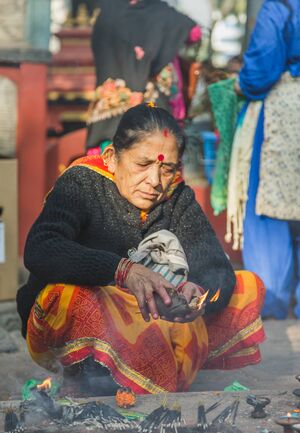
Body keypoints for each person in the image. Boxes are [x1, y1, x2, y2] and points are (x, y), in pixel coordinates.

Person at [17, 104, 265, 395]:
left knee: (244, 287)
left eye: (167, 168)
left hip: (156, 318)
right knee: (68, 296)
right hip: (94, 315)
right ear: (111, 158)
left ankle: (153, 370)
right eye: (142, 164)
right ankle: (86, 376)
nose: (154, 181)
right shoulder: (82, 182)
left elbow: (215, 266)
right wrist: (122, 271)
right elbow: (42, 248)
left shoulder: (175, 196)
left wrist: (195, 293)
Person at [234, 0, 300, 319]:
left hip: (285, 107)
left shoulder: (280, 6)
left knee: (268, 211)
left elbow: (261, 69)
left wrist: (242, 83)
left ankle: (271, 297)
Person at [86, 0, 201, 154]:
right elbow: (195, 33)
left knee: (108, 160)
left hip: (109, 114)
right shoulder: (163, 13)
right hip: (156, 112)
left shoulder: (106, 11)